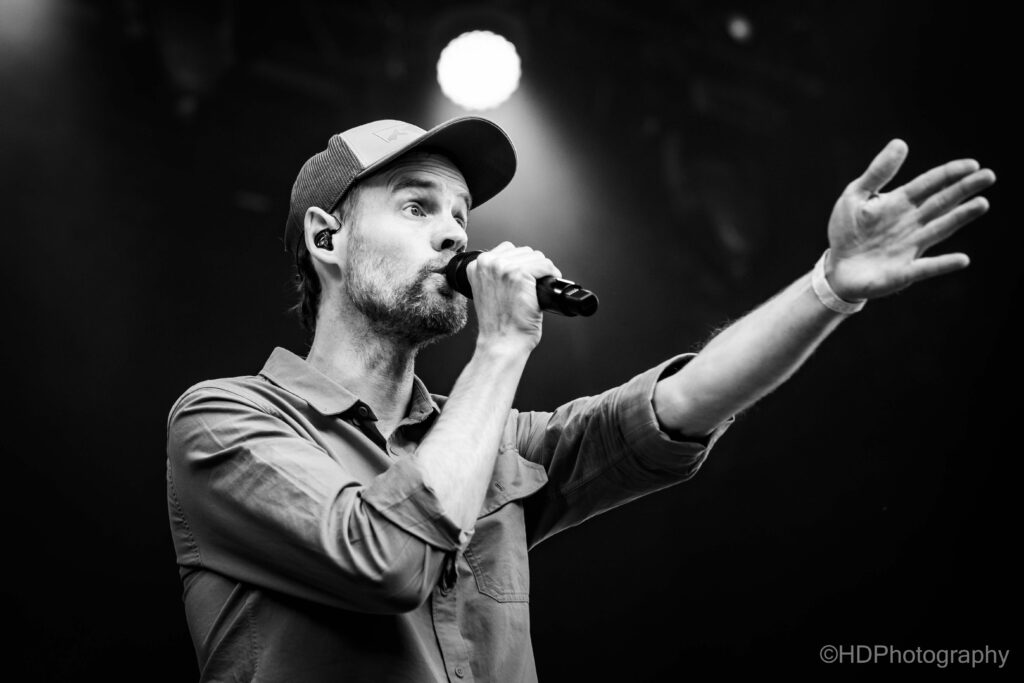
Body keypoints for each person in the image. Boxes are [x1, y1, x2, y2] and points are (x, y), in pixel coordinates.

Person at [165, 116, 995, 682]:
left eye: (461, 213)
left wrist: (828, 288)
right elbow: (385, 560)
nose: (456, 232)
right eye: (418, 205)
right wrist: (502, 348)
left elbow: (680, 403)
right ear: (327, 237)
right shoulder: (225, 421)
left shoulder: (491, 441)